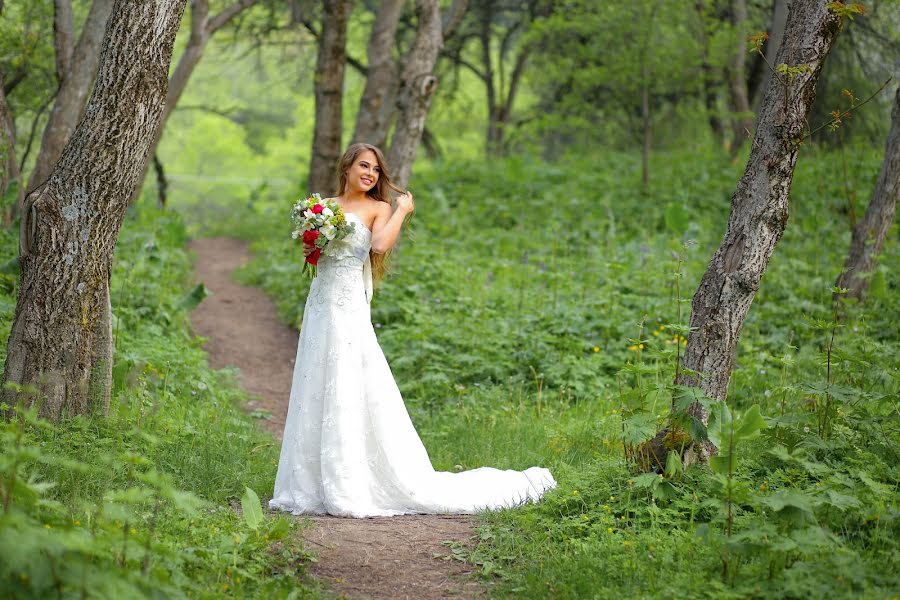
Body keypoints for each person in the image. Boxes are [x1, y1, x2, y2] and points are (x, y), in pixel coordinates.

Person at [269, 143, 557, 518]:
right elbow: (315, 254)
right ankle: (308, 483)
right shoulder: (322, 206)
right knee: (315, 378)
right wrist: (314, 234)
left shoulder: (379, 208)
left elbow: (379, 244)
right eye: (363, 166)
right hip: (321, 301)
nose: (370, 174)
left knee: (348, 377)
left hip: (349, 305)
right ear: (347, 167)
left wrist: (402, 209)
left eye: (375, 169)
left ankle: (350, 480)